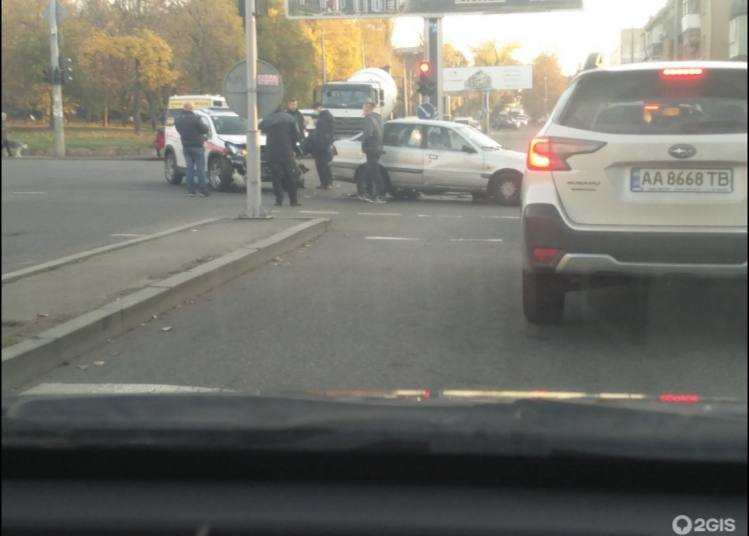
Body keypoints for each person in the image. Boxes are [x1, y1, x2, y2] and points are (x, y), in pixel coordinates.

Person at [261, 106, 302, 207]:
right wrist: (292, 146)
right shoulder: (290, 118)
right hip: (287, 152)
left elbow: (260, 128)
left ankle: (279, 200)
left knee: (276, 177)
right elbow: (296, 135)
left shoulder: (268, 119)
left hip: (273, 152)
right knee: (290, 176)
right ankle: (293, 201)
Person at [174, 101, 210, 197]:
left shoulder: (178, 119)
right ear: (191, 109)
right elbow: (205, 129)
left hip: (186, 146)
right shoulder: (196, 118)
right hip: (197, 146)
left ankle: (190, 191)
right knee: (200, 169)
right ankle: (203, 190)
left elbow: (178, 129)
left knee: (189, 169)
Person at [360, 101, 386, 204]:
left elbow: (368, 133)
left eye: (364, 108)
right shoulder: (377, 118)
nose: (363, 111)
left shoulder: (368, 119)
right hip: (377, 148)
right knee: (370, 171)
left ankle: (379, 195)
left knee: (374, 172)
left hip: (371, 148)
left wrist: (363, 145)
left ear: (368, 109)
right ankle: (368, 193)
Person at [311, 104, 335, 190]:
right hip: (318, 144)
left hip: (325, 144)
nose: (315, 111)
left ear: (320, 108)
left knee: (325, 164)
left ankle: (328, 182)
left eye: (315, 109)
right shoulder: (321, 116)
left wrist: (317, 123)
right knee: (319, 164)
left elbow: (327, 129)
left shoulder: (327, 115)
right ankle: (323, 182)